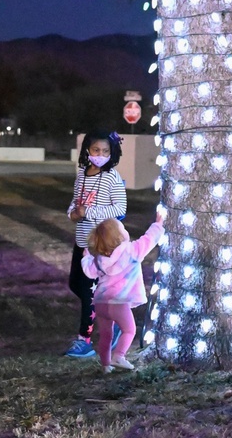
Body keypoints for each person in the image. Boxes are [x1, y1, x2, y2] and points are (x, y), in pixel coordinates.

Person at [65, 131, 127, 359]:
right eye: (96, 150)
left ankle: (85, 341)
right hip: (80, 240)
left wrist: (89, 212)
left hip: (98, 246)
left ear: (112, 153)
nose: (100, 155)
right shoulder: (82, 175)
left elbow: (120, 209)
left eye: (105, 151)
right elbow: (75, 203)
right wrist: (71, 214)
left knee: (89, 293)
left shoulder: (112, 177)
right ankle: (117, 319)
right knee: (75, 284)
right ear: (87, 152)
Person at [82, 214, 165, 372]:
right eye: (123, 228)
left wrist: (86, 258)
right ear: (119, 236)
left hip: (100, 302)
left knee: (106, 335)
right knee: (129, 330)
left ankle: (105, 365)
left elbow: (89, 271)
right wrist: (158, 224)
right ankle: (119, 356)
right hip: (118, 302)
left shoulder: (99, 259)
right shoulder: (131, 251)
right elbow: (149, 240)